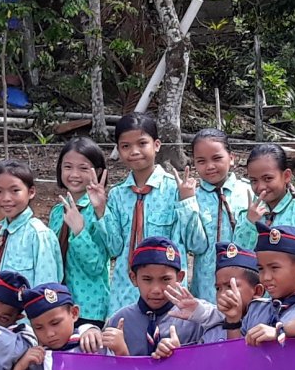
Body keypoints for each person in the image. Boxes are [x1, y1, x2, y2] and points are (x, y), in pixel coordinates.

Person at [88, 113, 210, 317]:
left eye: (142, 143)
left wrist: (187, 201)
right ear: (118, 150)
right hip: (125, 292)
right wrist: (100, 209)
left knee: (167, 344)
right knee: (124, 343)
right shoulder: (117, 195)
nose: (134, 151)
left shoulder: (176, 191)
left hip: (167, 293)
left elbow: (197, 244)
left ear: (157, 145)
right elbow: (115, 247)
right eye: (125, 146)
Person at [96, 239, 220, 357]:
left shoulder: (194, 320)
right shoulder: (118, 322)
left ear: (180, 278)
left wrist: (180, 356)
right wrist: (120, 353)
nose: (156, 290)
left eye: (165, 279)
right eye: (147, 279)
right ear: (133, 278)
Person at [184, 130, 258, 296]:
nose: (210, 166)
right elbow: (194, 245)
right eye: (201, 161)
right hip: (206, 286)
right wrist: (187, 203)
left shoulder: (249, 192)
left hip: (246, 280)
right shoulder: (192, 197)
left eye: (217, 158)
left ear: (231, 158)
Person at [49, 138, 115, 323]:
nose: (74, 174)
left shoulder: (99, 211)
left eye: (83, 168)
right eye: (68, 167)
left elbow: (96, 265)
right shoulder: (56, 212)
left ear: (99, 172)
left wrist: (79, 230)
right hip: (57, 306)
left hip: (89, 307)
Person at [0, 160, 62, 291]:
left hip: (25, 310)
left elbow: (47, 286)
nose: (6, 198)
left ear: (31, 192)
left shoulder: (39, 235)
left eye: (15, 190)